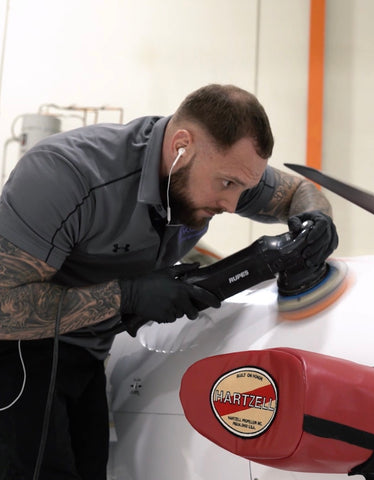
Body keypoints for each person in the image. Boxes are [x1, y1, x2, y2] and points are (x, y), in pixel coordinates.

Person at [0, 84, 338, 479]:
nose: (232, 205)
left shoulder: (220, 170)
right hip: (20, 355)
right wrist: (127, 296)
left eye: (243, 189)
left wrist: (317, 221)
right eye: (227, 184)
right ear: (181, 145)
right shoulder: (65, 174)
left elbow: (298, 191)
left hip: (87, 356)